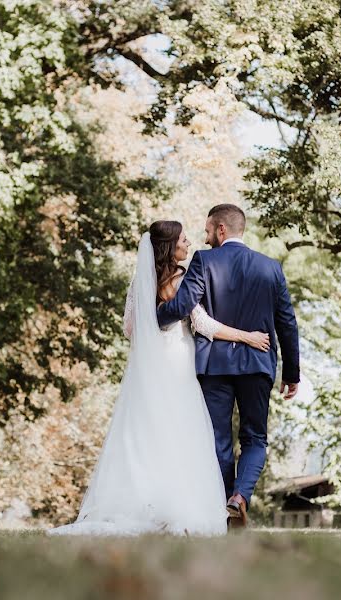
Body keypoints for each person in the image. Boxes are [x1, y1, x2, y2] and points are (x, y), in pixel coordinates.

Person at [49, 220, 270, 536]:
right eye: (183, 239)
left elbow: (129, 328)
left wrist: (151, 344)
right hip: (178, 363)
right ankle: (178, 505)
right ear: (170, 247)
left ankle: (143, 504)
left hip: (148, 366)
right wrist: (247, 337)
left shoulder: (139, 281)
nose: (189, 243)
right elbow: (203, 324)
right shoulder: (181, 279)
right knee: (182, 433)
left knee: (146, 434)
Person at [156, 204, 300, 528]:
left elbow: (181, 305)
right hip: (258, 364)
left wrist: (153, 319)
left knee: (218, 441)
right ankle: (240, 497)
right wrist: (292, 373)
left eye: (207, 231)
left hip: (215, 366)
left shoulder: (204, 261)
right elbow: (287, 323)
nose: (204, 238)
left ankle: (223, 511)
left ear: (221, 230)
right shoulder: (271, 268)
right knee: (254, 439)